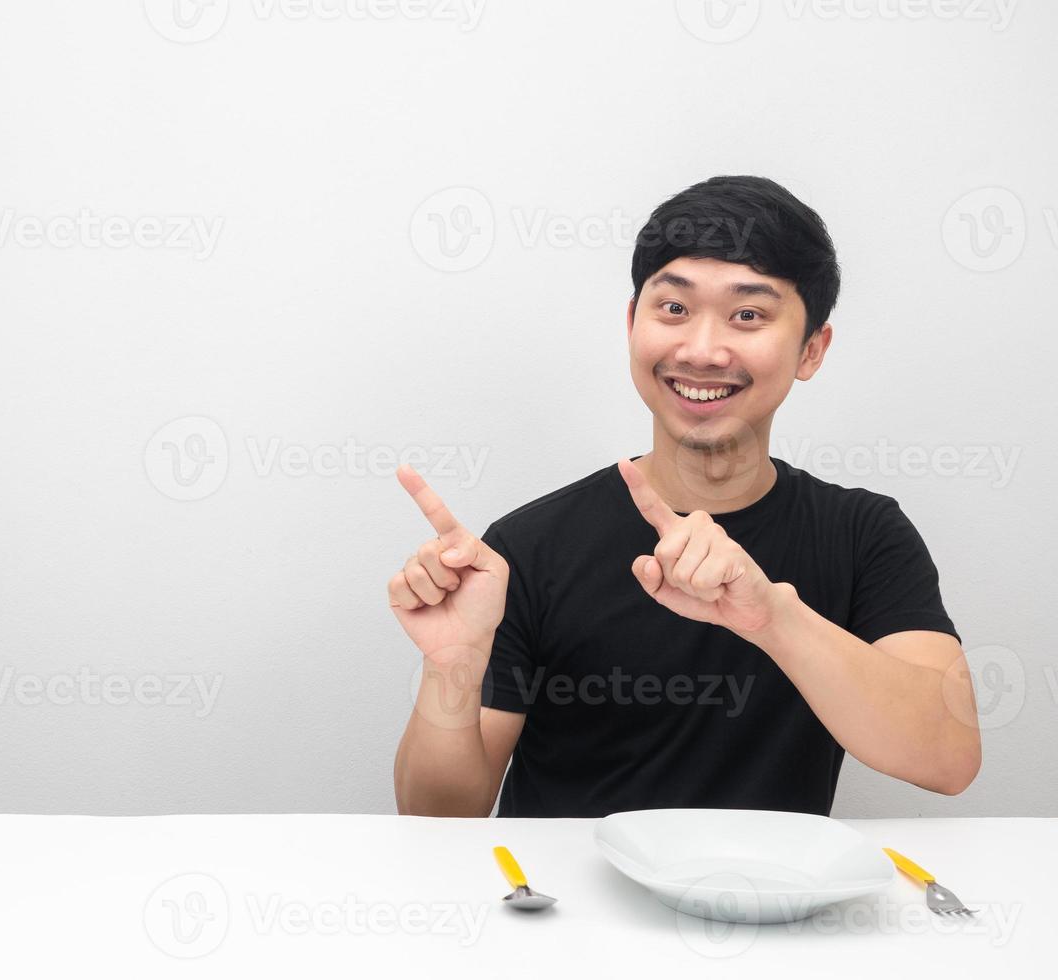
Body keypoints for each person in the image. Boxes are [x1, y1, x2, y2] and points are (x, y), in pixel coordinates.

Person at [388, 175, 981, 818]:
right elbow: (438, 820)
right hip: (571, 910)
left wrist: (773, 620)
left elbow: (947, 758)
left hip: (770, 907)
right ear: (632, 322)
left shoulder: (864, 535)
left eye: (748, 314)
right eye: (673, 309)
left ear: (812, 349)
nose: (701, 351)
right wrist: (453, 667)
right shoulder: (527, 549)